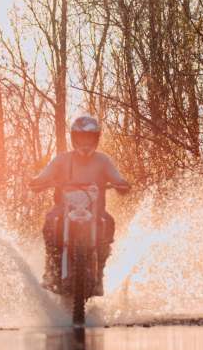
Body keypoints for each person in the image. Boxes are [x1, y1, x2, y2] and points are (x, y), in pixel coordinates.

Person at [30, 115, 130, 295]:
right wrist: (37, 181)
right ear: (74, 138)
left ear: (96, 139)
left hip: (95, 210)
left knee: (108, 222)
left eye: (89, 138)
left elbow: (116, 178)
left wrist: (122, 184)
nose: (85, 142)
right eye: (81, 137)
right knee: (51, 221)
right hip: (63, 209)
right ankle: (52, 270)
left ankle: (99, 273)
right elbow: (44, 175)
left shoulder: (103, 160)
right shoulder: (62, 159)